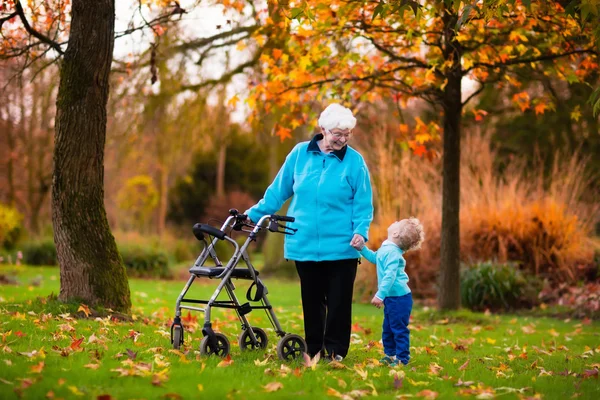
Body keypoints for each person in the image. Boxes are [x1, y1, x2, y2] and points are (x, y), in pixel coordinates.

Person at [245, 103, 373, 361]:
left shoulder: (355, 162)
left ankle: (335, 352)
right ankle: (313, 350)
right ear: (322, 129)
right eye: (337, 133)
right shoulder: (299, 154)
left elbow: (363, 202)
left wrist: (361, 231)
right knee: (312, 301)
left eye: (347, 134)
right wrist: (253, 214)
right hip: (302, 242)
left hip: (341, 246)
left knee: (338, 303)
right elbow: (278, 190)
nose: (342, 139)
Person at [353, 217, 424, 367]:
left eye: (397, 222)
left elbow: (390, 276)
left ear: (396, 233)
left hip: (399, 298)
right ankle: (390, 355)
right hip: (393, 298)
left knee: (398, 329)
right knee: (388, 328)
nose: (394, 221)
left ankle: (402, 359)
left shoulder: (393, 253)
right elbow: (375, 258)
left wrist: (380, 294)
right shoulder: (387, 249)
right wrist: (362, 248)